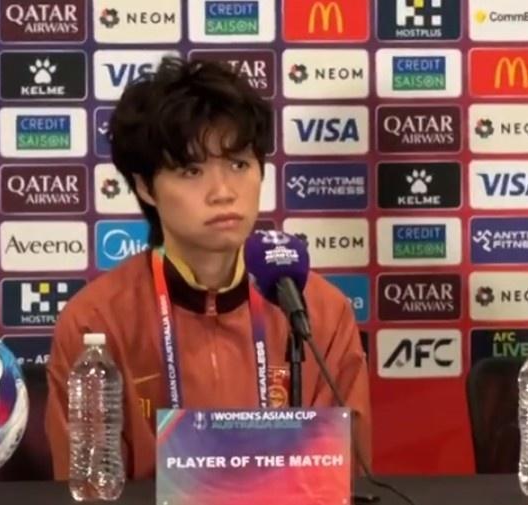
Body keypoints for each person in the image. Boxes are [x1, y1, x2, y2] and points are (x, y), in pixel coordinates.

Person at [45, 56, 371, 479]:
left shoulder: (318, 310)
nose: (222, 192)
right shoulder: (96, 322)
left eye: (239, 165)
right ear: (145, 187)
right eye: (191, 170)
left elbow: (344, 480)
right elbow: (88, 487)